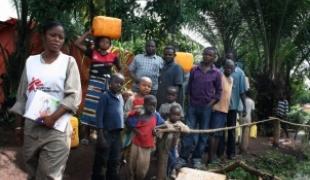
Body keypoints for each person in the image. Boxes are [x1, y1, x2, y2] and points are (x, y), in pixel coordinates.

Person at [9, 21, 82, 180]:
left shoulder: (68, 62)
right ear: (43, 36)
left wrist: (53, 117)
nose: (57, 39)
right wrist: (18, 127)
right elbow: (22, 96)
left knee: (49, 175)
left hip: (57, 128)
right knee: (32, 170)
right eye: (53, 35)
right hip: (32, 128)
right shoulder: (31, 61)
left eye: (61, 37)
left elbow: (73, 96)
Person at [177, 47, 222, 169]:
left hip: (206, 109)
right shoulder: (194, 70)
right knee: (188, 132)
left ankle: (197, 158)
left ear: (214, 58)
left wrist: (210, 104)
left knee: (203, 135)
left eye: (210, 55)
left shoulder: (217, 73)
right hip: (192, 106)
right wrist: (189, 101)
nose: (207, 56)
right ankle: (183, 158)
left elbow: (219, 93)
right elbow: (189, 87)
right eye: (205, 54)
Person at [75, 30, 122, 144]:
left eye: (107, 42)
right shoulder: (93, 53)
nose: (105, 44)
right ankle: (86, 136)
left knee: (103, 109)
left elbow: (120, 69)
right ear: (98, 43)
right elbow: (77, 43)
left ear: (110, 45)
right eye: (102, 41)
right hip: (93, 84)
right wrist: (87, 33)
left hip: (106, 86)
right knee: (89, 108)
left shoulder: (113, 57)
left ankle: (100, 134)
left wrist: (116, 81)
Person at [91, 73, 125, 180]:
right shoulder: (105, 96)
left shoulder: (120, 97)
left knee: (114, 159)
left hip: (117, 134)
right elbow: (99, 116)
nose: (119, 85)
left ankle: (112, 176)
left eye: (121, 83)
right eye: (116, 82)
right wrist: (100, 136)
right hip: (106, 133)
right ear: (110, 83)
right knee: (101, 159)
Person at [126, 95, 165, 180]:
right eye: (150, 105)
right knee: (131, 164)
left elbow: (163, 125)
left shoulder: (156, 116)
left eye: (154, 105)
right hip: (136, 144)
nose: (152, 107)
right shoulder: (139, 115)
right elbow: (128, 122)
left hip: (147, 147)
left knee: (142, 168)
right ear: (144, 105)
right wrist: (135, 130)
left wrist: (157, 131)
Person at [222, 50, 247, 159]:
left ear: (234, 59)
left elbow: (242, 91)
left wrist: (245, 107)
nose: (229, 60)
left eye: (230, 58)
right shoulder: (220, 71)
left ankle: (231, 153)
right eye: (227, 58)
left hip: (233, 107)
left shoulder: (240, 73)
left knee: (231, 130)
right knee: (219, 130)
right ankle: (219, 152)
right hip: (221, 106)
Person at [208, 59, 234, 164]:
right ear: (224, 67)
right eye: (227, 67)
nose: (229, 69)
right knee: (213, 135)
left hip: (225, 110)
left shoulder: (231, 79)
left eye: (231, 68)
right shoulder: (219, 76)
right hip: (216, 109)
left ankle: (214, 157)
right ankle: (210, 159)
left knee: (218, 135)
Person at [156, 105, 190, 180]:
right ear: (169, 114)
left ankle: (171, 171)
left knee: (174, 160)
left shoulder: (179, 124)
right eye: (173, 114)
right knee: (166, 162)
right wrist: (168, 128)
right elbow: (159, 134)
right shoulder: (165, 123)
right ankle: (165, 174)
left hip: (175, 147)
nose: (175, 117)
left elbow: (188, 130)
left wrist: (180, 127)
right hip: (165, 148)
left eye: (177, 115)